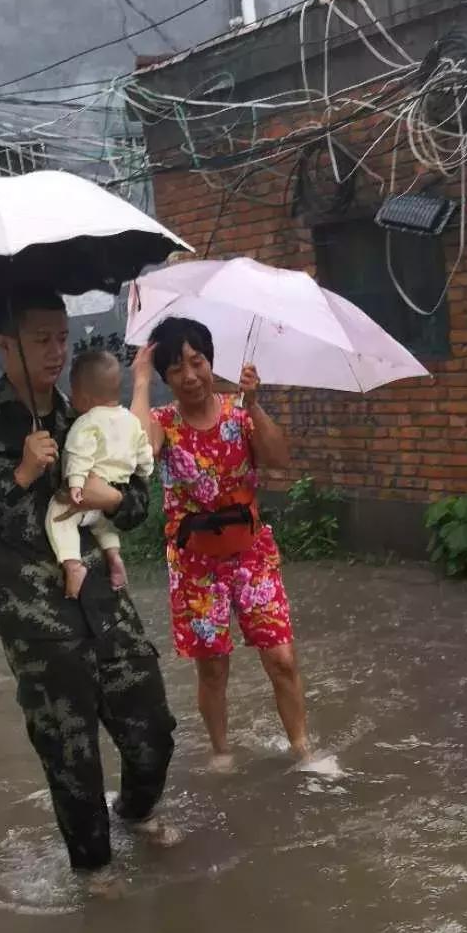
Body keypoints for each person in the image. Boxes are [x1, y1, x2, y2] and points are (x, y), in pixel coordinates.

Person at [0, 291, 178, 896]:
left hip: (102, 598)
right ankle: (94, 868)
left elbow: (141, 493)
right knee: (70, 750)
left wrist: (114, 500)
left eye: (62, 336)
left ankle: (136, 811)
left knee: (151, 726)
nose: (56, 349)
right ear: (4, 344)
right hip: (34, 616)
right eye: (41, 337)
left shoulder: (88, 414)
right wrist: (20, 475)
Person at [131, 316, 309, 770]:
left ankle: (303, 750)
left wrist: (254, 404)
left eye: (198, 361)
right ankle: (222, 753)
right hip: (196, 566)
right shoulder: (162, 422)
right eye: (176, 369)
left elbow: (278, 459)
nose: (190, 376)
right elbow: (139, 455)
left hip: (251, 554)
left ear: (211, 361)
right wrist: (140, 380)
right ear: (166, 378)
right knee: (212, 668)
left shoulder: (238, 412)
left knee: (282, 659)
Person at [45, 349, 154, 600]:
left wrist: (75, 484)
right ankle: (114, 556)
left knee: (57, 515)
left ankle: (72, 564)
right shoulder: (131, 421)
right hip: (110, 497)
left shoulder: (86, 422)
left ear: (83, 396)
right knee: (103, 528)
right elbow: (144, 454)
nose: (71, 399)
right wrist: (144, 471)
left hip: (85, 497)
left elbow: (77, 454)